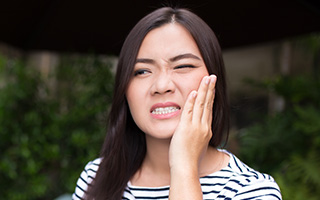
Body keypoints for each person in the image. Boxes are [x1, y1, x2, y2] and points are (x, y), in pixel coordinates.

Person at [72, 7, 282, 200]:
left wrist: (184, 167)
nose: (161, 85)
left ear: (213, 80)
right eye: (142, 71)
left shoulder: (250, 190)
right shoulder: (97, 176)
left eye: (182, 66)